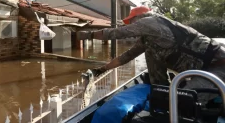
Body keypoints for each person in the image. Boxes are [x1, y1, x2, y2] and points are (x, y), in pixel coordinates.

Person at [77, 6, 225, 104]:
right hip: (201, 71)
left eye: (132, 22)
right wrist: (101, 70)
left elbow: (117, 33)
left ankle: (164, 93)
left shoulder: (150, 22)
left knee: (184, 101)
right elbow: (126, 57)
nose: (132, 26)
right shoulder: (149, 38)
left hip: (217, 69)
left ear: (140, 17)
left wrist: (89, 34)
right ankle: (161, 89)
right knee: (151, 53)